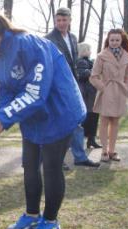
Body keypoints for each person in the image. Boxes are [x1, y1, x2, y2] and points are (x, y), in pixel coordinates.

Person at [0, 15, 86, 229]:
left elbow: (35, 92)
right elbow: (7, 92)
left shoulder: (30, 44)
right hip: (33, 117)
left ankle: (50, 220)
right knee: (29, 165)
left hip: (59, 112)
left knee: (51, 168)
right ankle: (32, 214)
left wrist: (5, 115)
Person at [45, 7, 100, 168]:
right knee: (57, 124)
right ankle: (57, 160)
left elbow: (73, 63)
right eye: (58, 20)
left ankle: (80, 157)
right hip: (56, 88)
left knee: (76, 121)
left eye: (64, 20)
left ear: (70, 20)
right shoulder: (48, 39)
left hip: (72, 87)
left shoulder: (73, 38)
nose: (61, 23)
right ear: (55, 21)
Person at [90, 29, 128, 162]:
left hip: (120, 92)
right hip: (106, 92)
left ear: (122, 41)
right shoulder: (101, 56)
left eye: (117, 40)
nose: (114, 42)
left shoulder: (127, 57)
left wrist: (125, 86)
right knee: (104, 121)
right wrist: (103, 87)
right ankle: (104, 151)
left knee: (115, 122)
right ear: (108, 40)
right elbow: (93, 76)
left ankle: (112, 151)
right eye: (112, 40)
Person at [76, 43, 102, 149]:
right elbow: (81, 74)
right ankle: (87, 141)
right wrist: (94, 71)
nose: (90, 51)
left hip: (90, 93)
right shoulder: (81, 61)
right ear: (83, 50)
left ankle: (91, 140)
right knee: (88, 118)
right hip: (87, 94)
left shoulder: (88, 61)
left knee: (93, 117)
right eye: (88, 49)